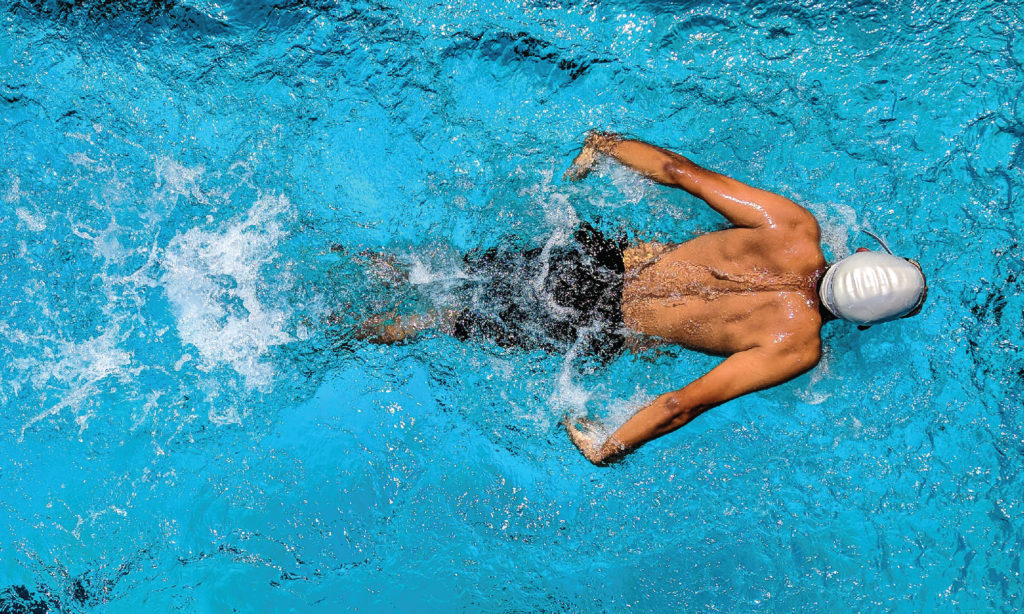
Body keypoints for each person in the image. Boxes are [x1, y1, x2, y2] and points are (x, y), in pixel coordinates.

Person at [358, 132, 927, 466]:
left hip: (592, 259)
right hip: (595, 323)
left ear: (860, 255)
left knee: (440, 271)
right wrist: (610, 446)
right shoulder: (796, 346)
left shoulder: (793, 227)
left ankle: (361, 260)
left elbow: (680, 172)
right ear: (865, 323)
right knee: (440, 320)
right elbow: (683, 403)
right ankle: (342, 328)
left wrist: (605, 146)